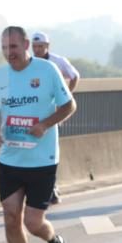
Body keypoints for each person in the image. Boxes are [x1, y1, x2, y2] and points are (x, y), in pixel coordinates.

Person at [0, 26, 76, 243]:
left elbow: (69, 105)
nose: (8, 53)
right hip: (10, 158)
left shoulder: (47, 71)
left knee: (33, 222)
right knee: (11, 216)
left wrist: (45, 124)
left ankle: (54, 241)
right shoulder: (0, 76)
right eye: (4, 48)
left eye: (12, 47)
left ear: (25, 45)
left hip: (42, 159)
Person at [30, 32, 80, 204]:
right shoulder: (29, 63)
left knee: (50, 150)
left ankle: (51, 187)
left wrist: (64, 98)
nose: (37, 50)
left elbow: (74, 76)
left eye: (40, 46)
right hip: (35, 112)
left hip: (54, 112)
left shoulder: (58, 61)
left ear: (47, 46)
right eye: (34, 47)